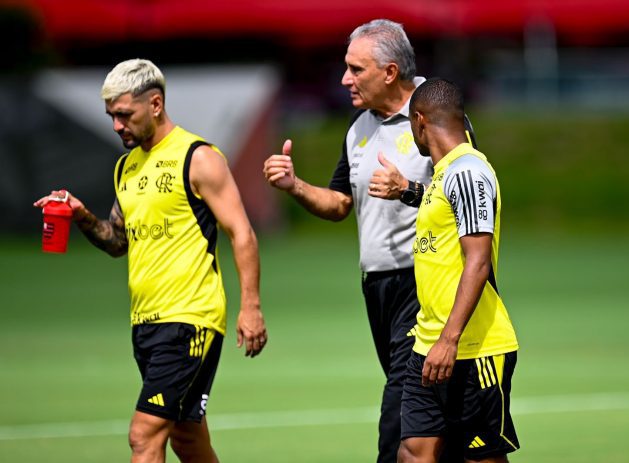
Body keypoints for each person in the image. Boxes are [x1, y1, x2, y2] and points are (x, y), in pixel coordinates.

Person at [34, 59, 268, 463]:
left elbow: (242, 233)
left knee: (143, 436)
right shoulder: (126, 166)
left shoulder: (198, 158)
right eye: (111, 116)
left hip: (190, 318)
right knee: (188, 439)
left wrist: (251, 306)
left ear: (155, 104)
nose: (116, 126)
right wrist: (82, 216)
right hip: (145, 323)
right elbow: (117, 241)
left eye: (124, 114)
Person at [263, 19, 433, 463]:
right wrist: (296, 185)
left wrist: (408, 190)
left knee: (399, 422)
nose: (344, 79)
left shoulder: (436, 112)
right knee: (432, 419)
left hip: (427, 284)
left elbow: (469, 194)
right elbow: (340, 203)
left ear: (391, 72)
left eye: (356, 69)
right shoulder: (358, 127)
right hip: (377, 288)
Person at [397, 78, 520, 463]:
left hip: (473, 348)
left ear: (420, 121)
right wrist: (406, 190)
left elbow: (478, 261)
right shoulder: (443, 174)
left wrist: (449, 341)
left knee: (480, 458)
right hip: (426, 343)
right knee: (413, 453)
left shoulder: (468, 171)